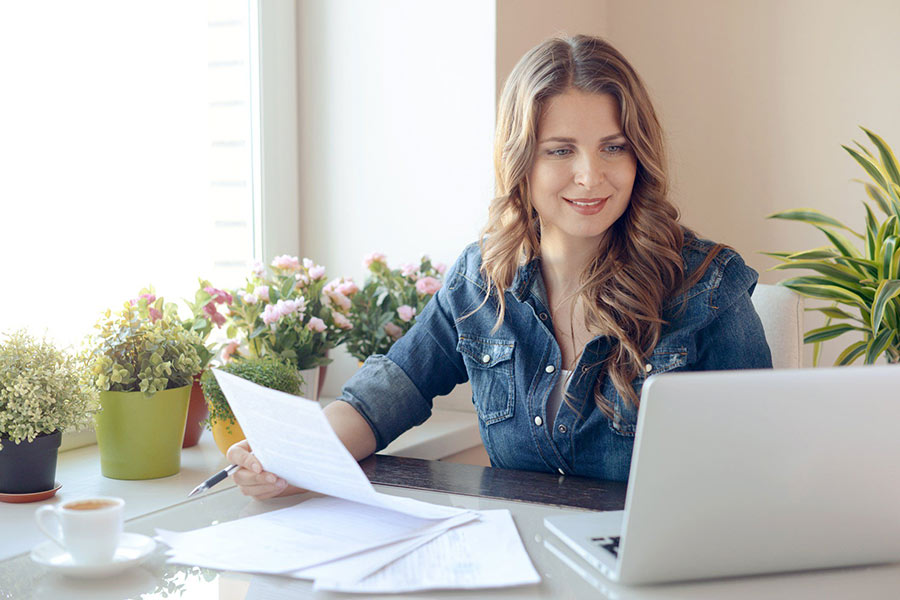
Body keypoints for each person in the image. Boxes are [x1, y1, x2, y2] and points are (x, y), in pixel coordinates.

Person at [228, 34, 772, 499]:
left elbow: (761, 472)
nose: (591, 176)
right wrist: (290, 459)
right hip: (516, 565)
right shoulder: (480, 280)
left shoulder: (709, 289)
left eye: (614, 147)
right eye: (560, 151)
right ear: (521, 161)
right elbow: (385, 397)